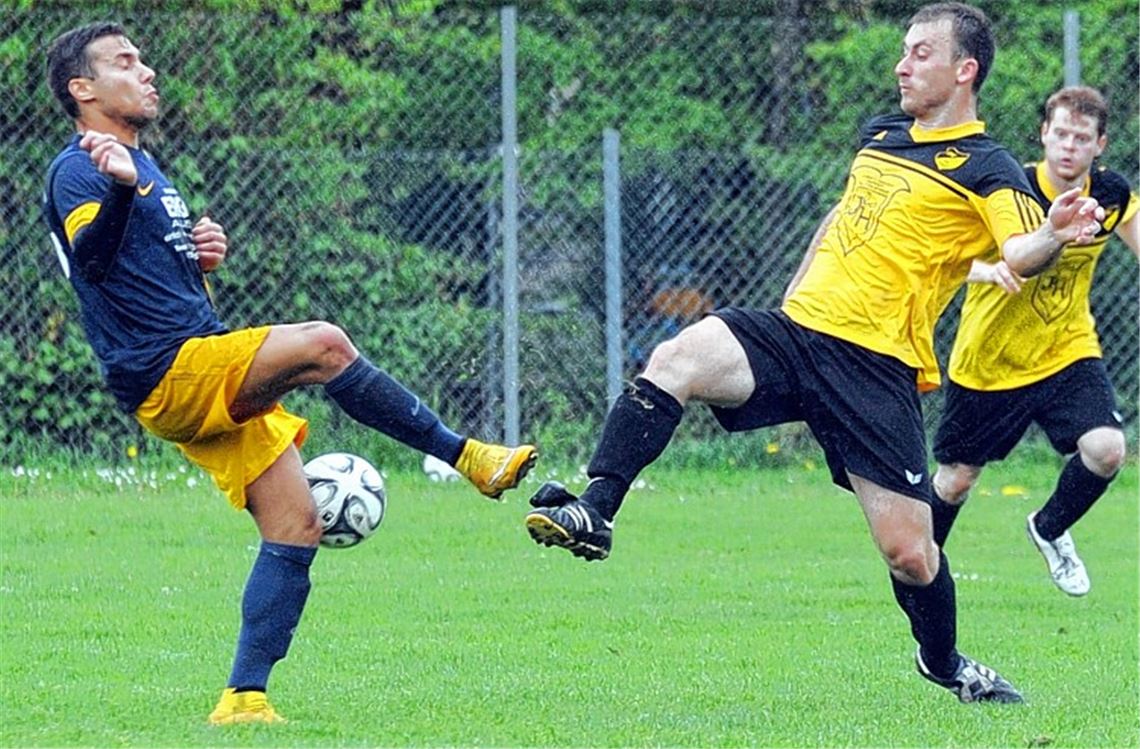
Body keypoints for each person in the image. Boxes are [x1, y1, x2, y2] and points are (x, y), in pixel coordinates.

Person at [523, 3, 1104, 703]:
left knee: (913, 555)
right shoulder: (884, 134)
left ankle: (945, 662)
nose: (901, 64)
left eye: (920, 53)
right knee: (677, 357)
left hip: (876, 371)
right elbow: (841, 214)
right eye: (903, 50)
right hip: (798, 333)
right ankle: (597, 509)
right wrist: (795, 292)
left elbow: (1019, 251)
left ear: (964, 70)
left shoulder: (990, 168)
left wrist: (1054, 232)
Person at [42, 22, 537, 725]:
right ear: (81, 88)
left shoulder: (142, 166)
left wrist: (196, 256)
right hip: (170, 370)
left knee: (297, 522)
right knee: (324, 345)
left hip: (189, 362)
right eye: (125, 62)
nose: (146, 70)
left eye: (144, 58)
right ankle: (468, 456)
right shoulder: (82, 165)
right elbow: (90, 261)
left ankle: (243, 698)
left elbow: (136, 277)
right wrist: (121, 191)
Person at [929, 85, 1138, 596]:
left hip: (1064, 350)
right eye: (1060, 133)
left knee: (1107, 449)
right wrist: (989, 271)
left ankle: (1049, 528)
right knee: (956, 480)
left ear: (1100, 145)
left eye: (1081, 137)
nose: (1069, 145)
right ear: (1044, 134)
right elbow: (943, 259)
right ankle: (920, 570)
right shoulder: (1008, 190)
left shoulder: (1111, 195)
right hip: (990, 360)